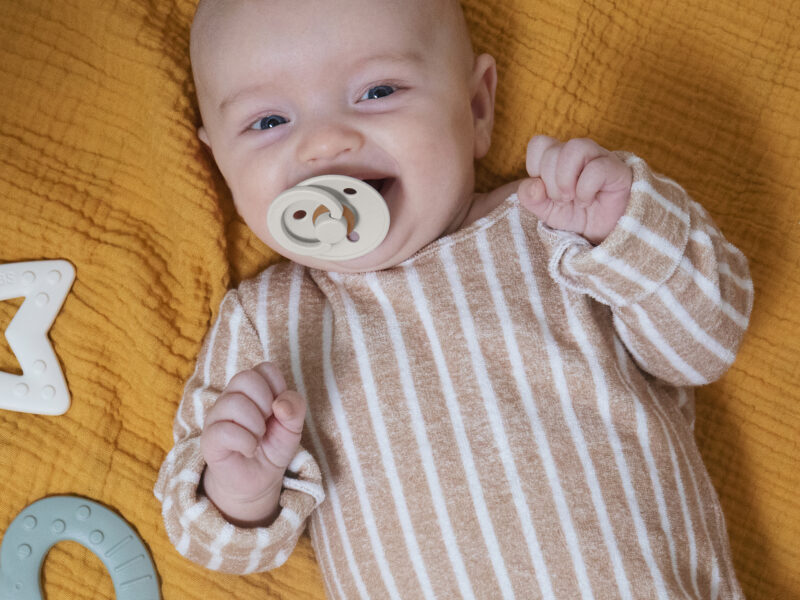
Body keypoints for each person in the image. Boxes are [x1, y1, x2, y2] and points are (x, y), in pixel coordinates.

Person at [155, 0, 753, 597]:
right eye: (267, 123)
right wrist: (238, 489)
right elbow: (206, 539)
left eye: (377, 90)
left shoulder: (562, 225)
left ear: (476, 108)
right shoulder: (266, 323)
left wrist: (630, 230)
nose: (324, 143)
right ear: (221, 167)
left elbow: (705, 344)